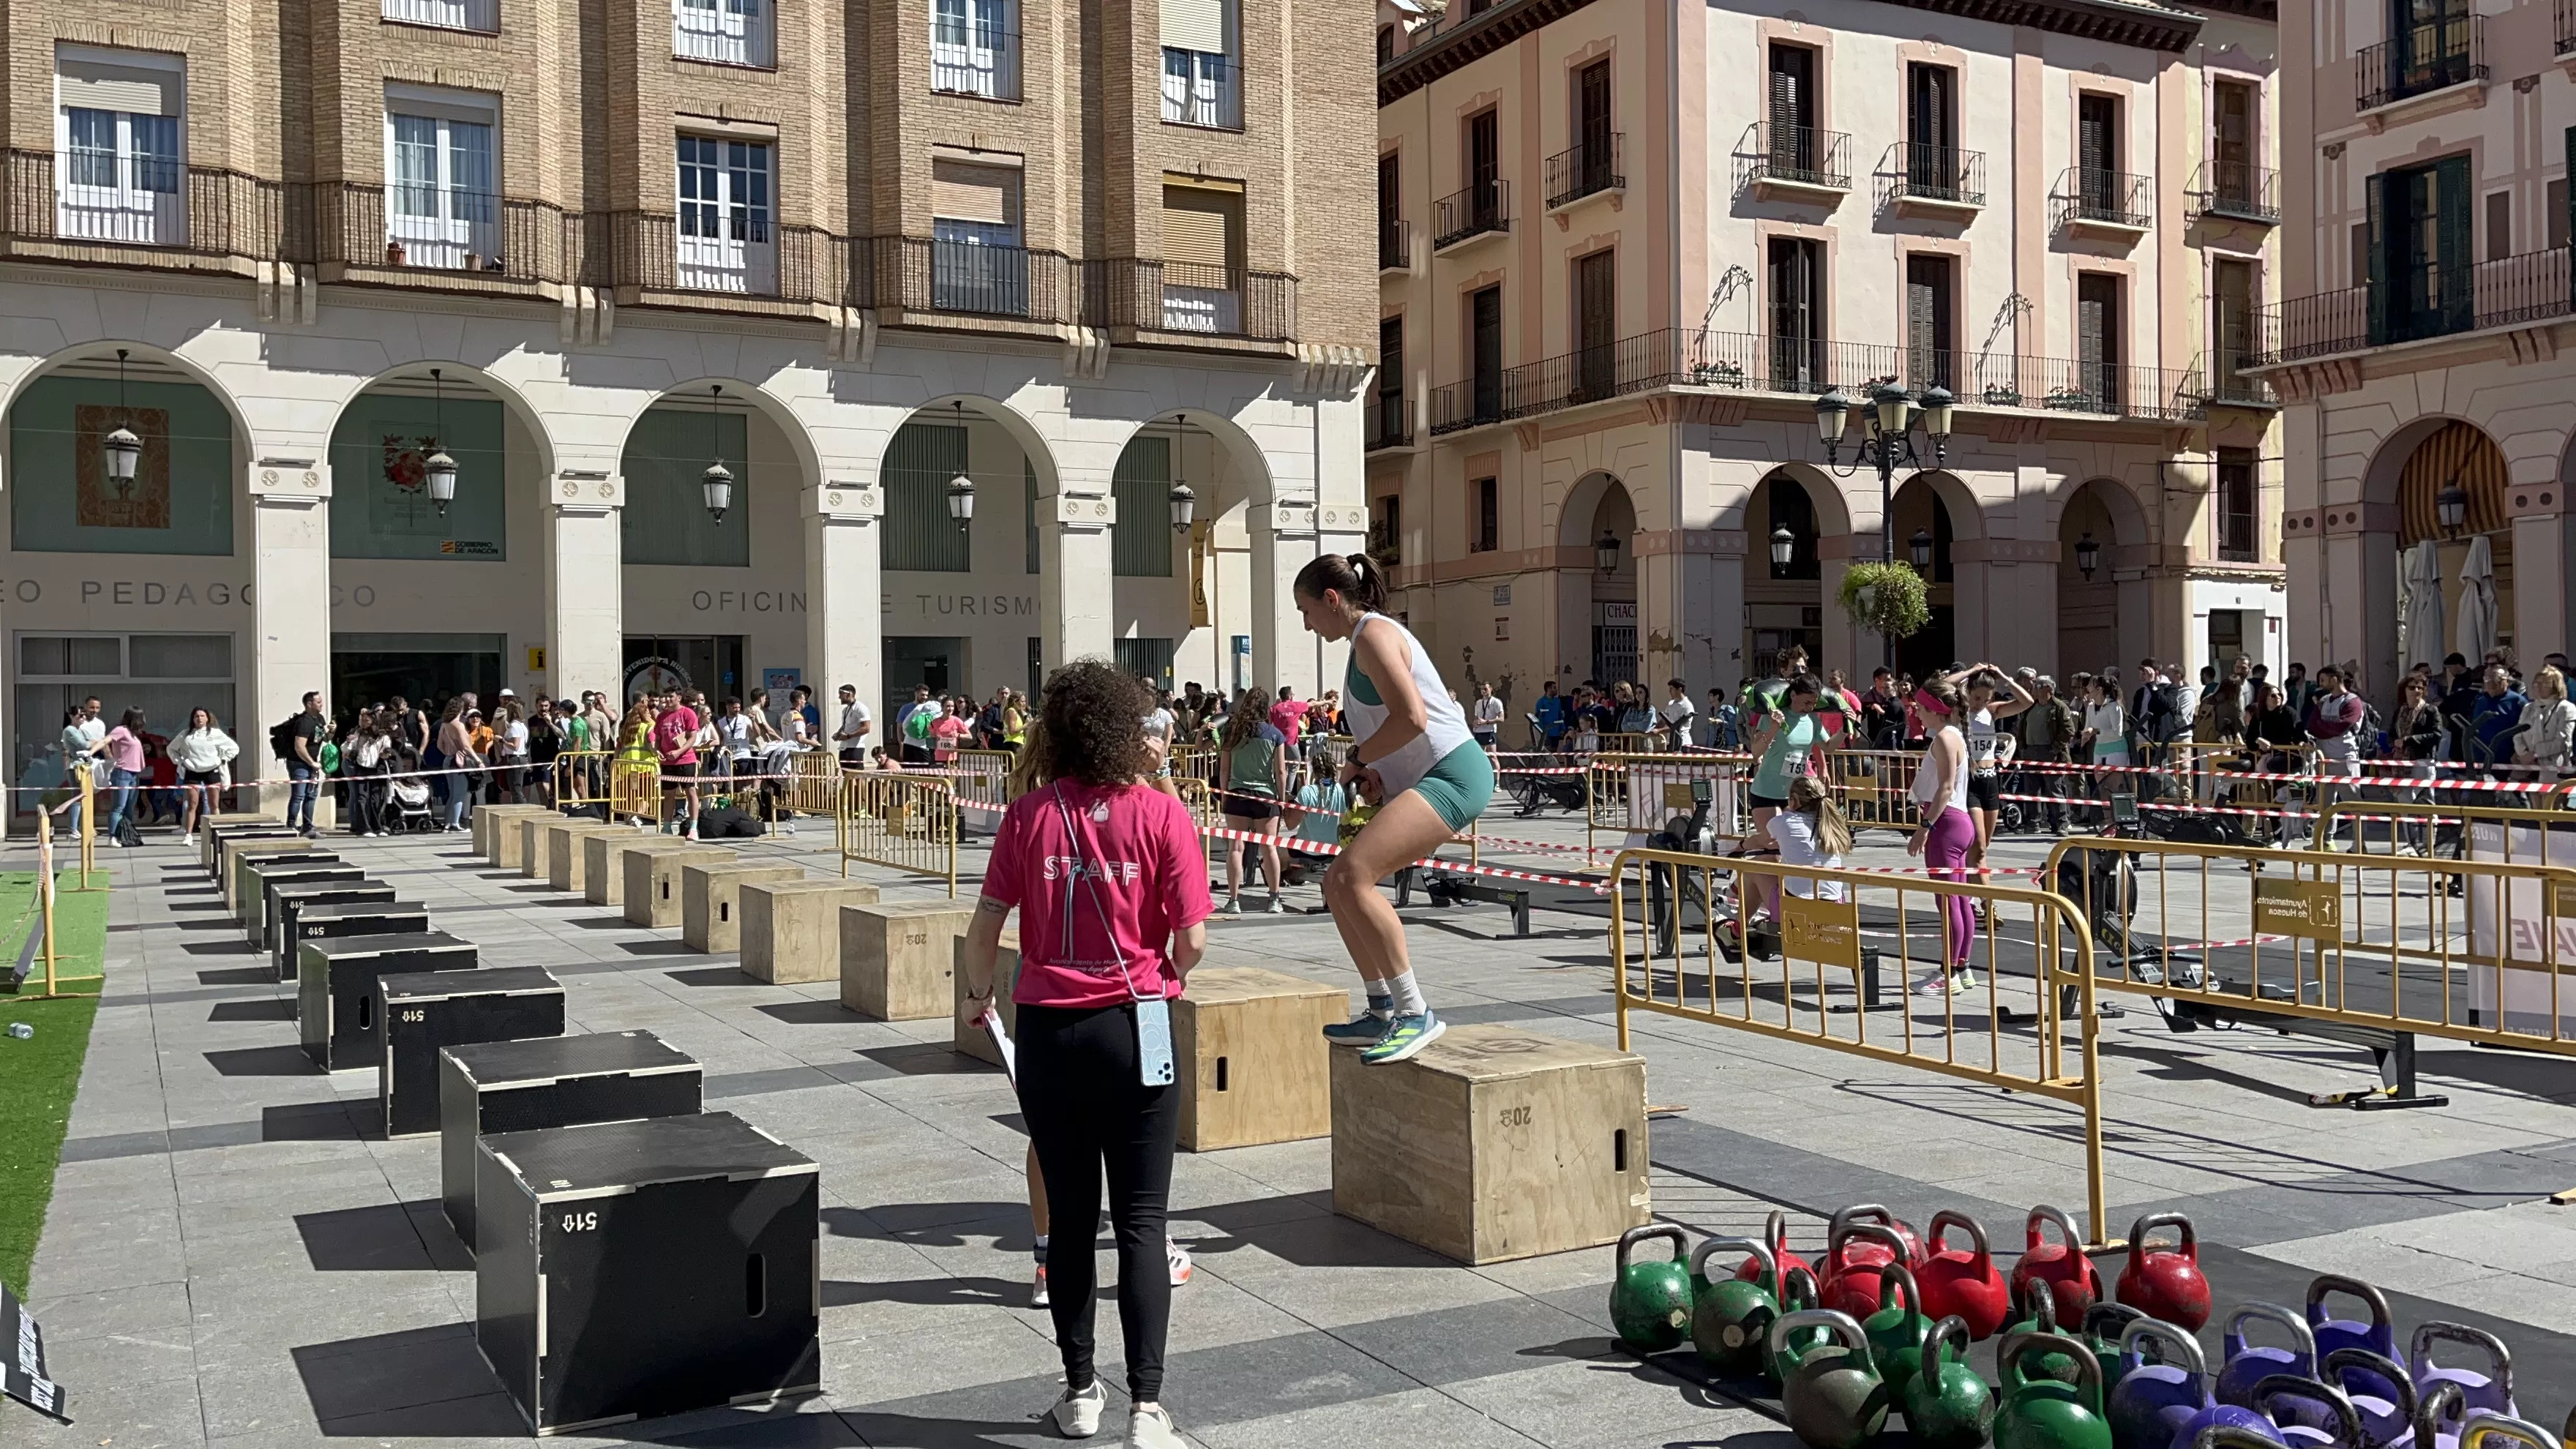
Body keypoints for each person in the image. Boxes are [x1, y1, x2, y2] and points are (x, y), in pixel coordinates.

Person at [955, 661, 1209, 1449]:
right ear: (1126, 729)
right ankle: (1148, 1407)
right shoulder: (1163, 815)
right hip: (1139, 1021)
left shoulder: (1029, 815)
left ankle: (1079, 1393)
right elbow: (1193, 940)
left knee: (1069, 1220)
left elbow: (985, 923)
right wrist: (1162, 969)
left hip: (1049, 1027)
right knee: (1141, 1219)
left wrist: (976, 998)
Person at [1292, 553, 1492, 1064]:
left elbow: (1413, 718)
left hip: (1456, 772)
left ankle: (1413, 1011)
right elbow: (1401, 730)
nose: (1306, 624)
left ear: (1332, 601)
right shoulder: (1363, 641)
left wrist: (1357, 758)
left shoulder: (1376, 637)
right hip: (1433, 775)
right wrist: (1379, 774)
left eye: (1307, 611)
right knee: (1336, 883)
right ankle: (1381, 1007)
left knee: (1354, 877)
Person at [1742, 675, 1843, 925]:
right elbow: (1755, 752)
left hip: (1795, 794)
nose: (1809, 707)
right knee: (1772, 845)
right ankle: (1764, 897)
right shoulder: (1772, 716)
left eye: (1813, 703)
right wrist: (1774, 728)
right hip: (1767, 790)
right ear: (1793, 696)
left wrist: (1846, 728)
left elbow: (1828, 746)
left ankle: (1766, 896)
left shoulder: (1812, 720)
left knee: (1787, 850)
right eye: (1805, 702)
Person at [1907, 678, 1978, 996]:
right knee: (1959, 898)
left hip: (1947, 823)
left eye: (1921, 708)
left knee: (1948, 900)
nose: (1917, 712)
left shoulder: (1944, 740)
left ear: (1935, 710)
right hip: (1958, 821)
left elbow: (1945, 788)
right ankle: (1961, 968)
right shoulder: (1954, 735)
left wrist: (1925, 827)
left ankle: (1951, 972)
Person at [1943, 664, 2032, 892]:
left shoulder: (1992, 711)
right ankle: (1987, 904)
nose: (1980, 703)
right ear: (1968, 693)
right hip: (1970, 782)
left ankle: (1971, 895)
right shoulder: (1959, 712)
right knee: (1979, 847)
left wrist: (2004, 678)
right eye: (1976, 697)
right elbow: (1945, 685)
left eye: (1985, 698)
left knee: (1982, 849)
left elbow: (2026, 702)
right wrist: (1971, 671)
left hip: (1990, 780)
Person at [1214, 686, 1291, 915]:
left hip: (1238, 794)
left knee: (1236, 849)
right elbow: (1280, 771)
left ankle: (1234, 899)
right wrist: (1282, 798)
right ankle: (1274, 898)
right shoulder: (1275, 735)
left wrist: (1225, 795)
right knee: (1269, 848)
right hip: (1265, 796)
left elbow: (1224, 769)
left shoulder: (1232, 732)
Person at [1759, 771, 1852, 908]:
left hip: (1797, 905)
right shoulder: (1831, 825)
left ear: (1794, 800)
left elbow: (1761, 840)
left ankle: (1738, 920)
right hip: (1835, 904)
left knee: (1754, 868)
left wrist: (1740, 846)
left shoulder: (1784, 822)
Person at [2303, 664, 2368, 850]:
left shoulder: (2353, 701)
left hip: (2344, 757)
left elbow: (2342, 726)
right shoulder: (2323, 701)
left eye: (2323, 679)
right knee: (2325, 802)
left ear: (2334, 679)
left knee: (2352, 801)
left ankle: (2359, 843)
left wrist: (2323, 729)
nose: (2320, 683)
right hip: (2324, 758)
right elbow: (2312, 724)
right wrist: (2324, 729)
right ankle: (2325, 841)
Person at [2013, 676, 2078, 835]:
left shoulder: (2059, 707)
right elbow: (2020, 727)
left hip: (2051, 753)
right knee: (2031, 790)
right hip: (2030, 752)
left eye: (2038, 686)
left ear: (2048, 688)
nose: (2034, 688)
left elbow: (2069, 731)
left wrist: (2055, 749)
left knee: (2054, 789)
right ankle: (2032, 823)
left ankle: (2061, 823)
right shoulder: (2030, 707)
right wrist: (2022, 747)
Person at [172, 708, 239, 843]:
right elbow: (171, 749)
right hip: (192, 772)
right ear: (193, 719)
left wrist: (222, 760)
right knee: (192, 804)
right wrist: (180, 762)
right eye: (197, 716)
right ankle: (189, 835)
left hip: (212, 771)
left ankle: (218, 834)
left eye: (202, 716)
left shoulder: (216, 733)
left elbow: (234, 748)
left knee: (214, 805)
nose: (199, 719)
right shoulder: (185, 734)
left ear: (207, 718)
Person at [654, 688, 703, 836]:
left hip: (686, 760)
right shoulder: (662, 716)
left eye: (671, 697)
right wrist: (657, 751)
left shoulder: (688, 713)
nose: (668, 700)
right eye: (666, 697)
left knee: (690, 791)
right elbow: (658, 739)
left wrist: (678, 752)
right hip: (667, 763)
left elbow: (692, 738)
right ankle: (667, 827)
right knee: (668, 794)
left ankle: (693, 827)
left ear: (679, 698)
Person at [2515, 666, 2575, 776]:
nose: (2538, 686)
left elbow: (2563, 742)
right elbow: (2518, 734)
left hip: (2555, 769)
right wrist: (2523, 754)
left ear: (2555, 686)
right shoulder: (2528, 708)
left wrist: (2535, 754)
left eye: (2545, 683)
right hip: (2528, 767)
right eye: (2536, 683)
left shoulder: (2566, 708)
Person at [99, 708, 147, 845]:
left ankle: (126, 835)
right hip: (122, 773)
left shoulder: (133, 734)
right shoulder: (121, 730)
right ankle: (112, 836)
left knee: (129, 808)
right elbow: (105, 741)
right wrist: (91, 752)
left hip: (134, 774)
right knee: (118, 807)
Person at [2471, 664, 2529, 773]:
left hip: (2509, 762)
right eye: (2487, 679)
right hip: (2482, 760)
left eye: (2497, 679)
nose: (2491, 683)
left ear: (2507, 681)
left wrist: (2520, 753)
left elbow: (2529, 730)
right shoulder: (2481, 700)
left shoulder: (2518, 701)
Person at [345, 710, 393, 835]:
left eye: (367, 721)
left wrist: (385, 754)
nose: (364, 724)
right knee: (362, 798)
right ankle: (363, 828)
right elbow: (346, 749)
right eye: (362, 721)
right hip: (361, 768)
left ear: (374, 722)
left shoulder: (383, 736)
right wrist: (349, 742)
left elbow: (386, 752)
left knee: (375, 799)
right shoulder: (358, 733)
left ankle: (377, 827)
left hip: (376, 769)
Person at [434, 699, 479, 831]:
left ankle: (447, 823)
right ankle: (455, 823)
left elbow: (439, 745)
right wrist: (478, 760)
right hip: (459, 762)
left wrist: (449, 753)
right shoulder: (458, 725)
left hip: (448, 760)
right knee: (460, 794)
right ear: (460, 709)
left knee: (452, 794)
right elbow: (466, 746)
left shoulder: (444, 725)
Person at [834, 683, 873, 768]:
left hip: (856, 748)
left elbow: (866, 728)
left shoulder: (860, 708)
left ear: (848, 694)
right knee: (846, 775)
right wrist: (838, 734)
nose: (839, 697)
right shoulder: (846, 709)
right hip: (844, 747)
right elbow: (846, 725)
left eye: (841, 694)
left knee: (858, 776)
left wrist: (848, 736)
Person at [1470, 681, 1505, 752]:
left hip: (1489, 731)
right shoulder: (1478, 702)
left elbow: (1502, 719)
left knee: (1493, 757)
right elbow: (1476, 717)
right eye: (1481, 689)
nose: (1483, 691)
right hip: (1479, 732)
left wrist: (1486, 722)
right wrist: (1475, 723)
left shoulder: (1496, 702)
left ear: (1491, 689)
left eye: (1485, 689)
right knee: (1479, 756)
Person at [1532, 679, 1567, 749]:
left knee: (1554, 751)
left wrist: (1563, 728)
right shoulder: (1541, 702)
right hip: (1546, 733)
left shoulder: (1557, 701)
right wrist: (1543, 732)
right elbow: (1539, 718)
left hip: (1556, 732)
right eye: (1554, 688)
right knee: (1547, 752)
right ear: (1549, 689)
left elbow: (1560, 715)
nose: (1556, 690)